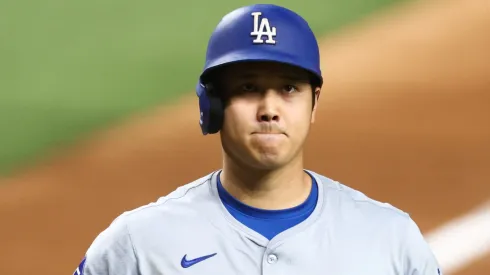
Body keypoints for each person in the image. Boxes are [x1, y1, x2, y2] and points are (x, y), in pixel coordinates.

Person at [73, 4, 443, 275]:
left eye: (288, 88)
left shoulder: (389, 238)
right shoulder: (140, 243)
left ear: (314, 102)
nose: (269, 109)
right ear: (213, 105)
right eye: (249, 88)